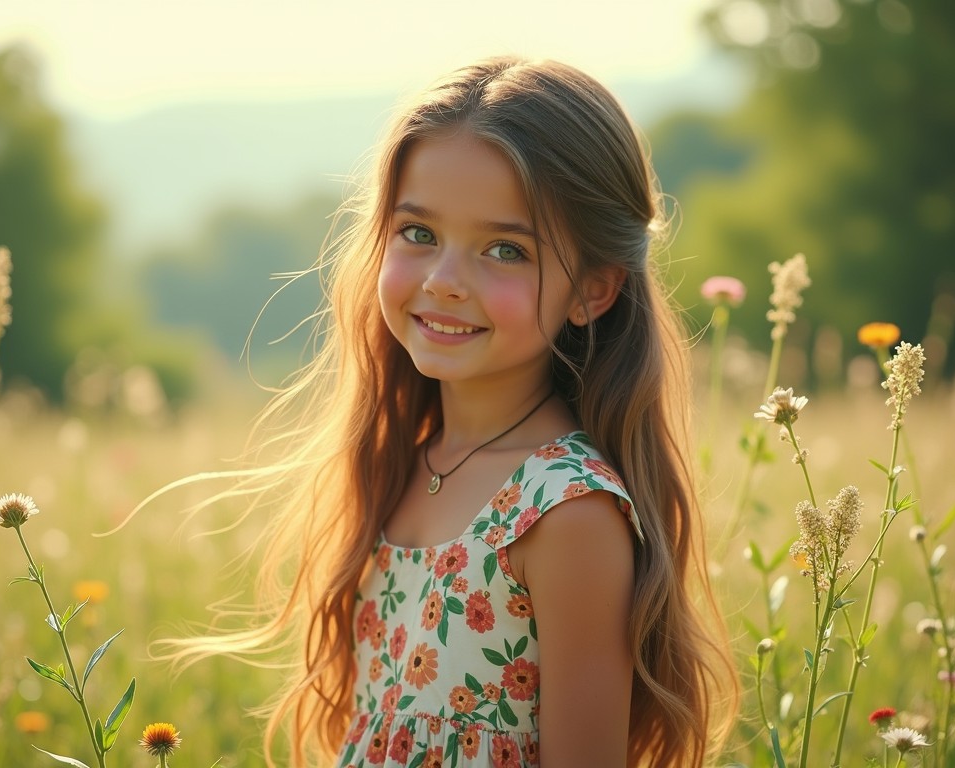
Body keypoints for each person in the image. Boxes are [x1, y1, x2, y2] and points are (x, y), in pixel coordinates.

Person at [163, 56, 735, 767]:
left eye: (504, 250)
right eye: (419, 234)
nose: (443, 282)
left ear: (593, 290)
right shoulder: (404, 460)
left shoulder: (566, 511)